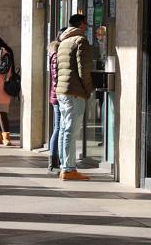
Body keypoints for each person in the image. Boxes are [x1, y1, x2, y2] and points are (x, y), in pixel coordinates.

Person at [57, 14, 93, 181]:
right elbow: (83, 70)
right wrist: (88, 90)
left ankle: (65, 166)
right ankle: (69, 169)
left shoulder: (63, 41)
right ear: (81, 25)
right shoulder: (80, 41)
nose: (87, 27)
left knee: (65, 130)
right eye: (86, 23)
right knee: (71, 131)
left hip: (62, 91)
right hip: (75, 92)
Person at [46, 28, 66, 174]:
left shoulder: (54, 52)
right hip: (58, 95)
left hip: (55, 95)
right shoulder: (58, 53)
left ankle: (56, 160)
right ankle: (53, 162)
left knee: (58, 127)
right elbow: (58, 77)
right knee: (58, 127)